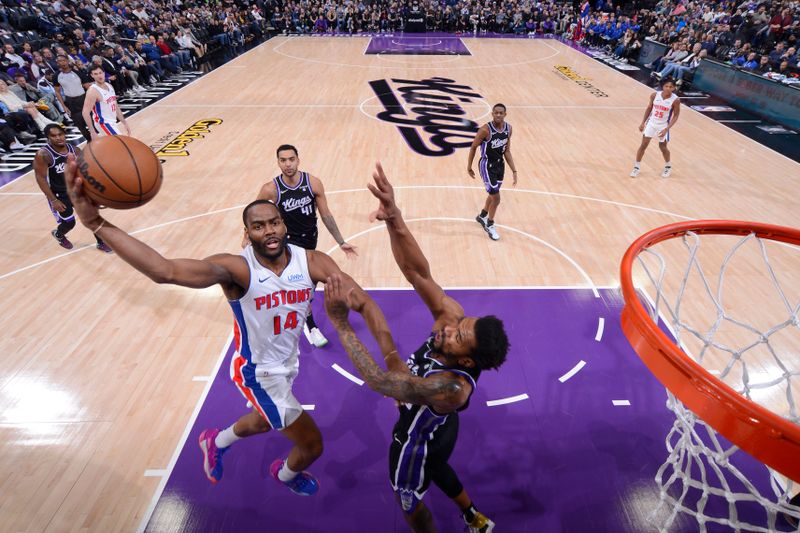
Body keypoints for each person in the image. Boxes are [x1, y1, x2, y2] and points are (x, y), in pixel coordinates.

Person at [62, 157, 395, 496]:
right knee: (312, 446)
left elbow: (365, 303)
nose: (269, 231)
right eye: (259, 226)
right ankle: (284, 475)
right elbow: (164, 271)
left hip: (287, 363)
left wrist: (393, 360)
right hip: (257, 371)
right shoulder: (236, 270)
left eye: (274, 223)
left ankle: (215, 442)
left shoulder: (312, 262)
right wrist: (98, 224)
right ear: (247, 233)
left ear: (284, 225)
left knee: (265, 418)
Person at [324, 162, 509, 533]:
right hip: (443, 426)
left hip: (419, 437)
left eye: (459, 336)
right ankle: (473, 516)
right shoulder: (452, 319)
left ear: (467, 359)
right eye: (460, 324)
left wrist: (342, 324)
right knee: (440, 467)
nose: (450, 328)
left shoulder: (450, 388)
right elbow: (417, 273)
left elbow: (381, 381)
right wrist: (396, 219)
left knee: (410, 504)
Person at [250, 144, 358, 348]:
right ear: (278, 162)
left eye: (291, 159)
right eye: (283, 160)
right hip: (288, 242)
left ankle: (286, 313)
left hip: (310, 240)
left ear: (298, 160)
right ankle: (311, 326)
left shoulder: (313, 183)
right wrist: (248, 235)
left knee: (304, 287)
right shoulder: (271, 188)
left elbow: (326, 214)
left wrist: (341, 241)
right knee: (303, 287)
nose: (288, 164)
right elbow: (254, 212)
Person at [33, 124, 112, 252]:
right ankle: (59, 234)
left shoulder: (75, 150)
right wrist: (53, 200)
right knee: (69, 223)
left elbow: (85, 171)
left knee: (92, 216)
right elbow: (41, 178)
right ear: (48, 138)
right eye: (54, 136)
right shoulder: (43, 155)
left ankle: (101, 242)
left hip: (77, 189)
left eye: (60, 134)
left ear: (65, 134)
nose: (58, 138)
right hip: (59, 194)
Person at [466, 103, 518, 241]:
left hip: (500, 166)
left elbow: (507, 151)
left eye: (501, 113)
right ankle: (490, 224)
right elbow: (473, 147)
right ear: (492, 114)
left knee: (493, 193)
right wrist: (469, 166)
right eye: (496, 113)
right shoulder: (485, 130)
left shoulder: (509, 129)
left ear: (505, 114)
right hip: (486, 166)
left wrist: (514, 170)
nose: (498, 115)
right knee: (496, 198)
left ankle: (482, 215)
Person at [630, 78, 680, 179]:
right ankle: (636, 167)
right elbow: (649, 108)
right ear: (663, 86)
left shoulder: (675, 100)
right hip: (651, 123)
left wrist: (667, 129)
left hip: (663, 125)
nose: (668, 88)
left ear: (674, 88)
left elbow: (676, 115)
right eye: (666, 86)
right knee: (643, 145)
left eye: (671, 87)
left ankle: (668, 166)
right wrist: (643, 123)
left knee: (662, 147)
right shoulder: (654, 95)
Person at [82, 64, 131, 139]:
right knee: (122, 142)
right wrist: (92, 132)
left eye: (100, 73)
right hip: (103, 123)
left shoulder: (109, 86)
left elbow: (116, 107)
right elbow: (85, 112)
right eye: (96, 74)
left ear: (104, 73)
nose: (99, 76)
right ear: (92, 76)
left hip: (112, 122)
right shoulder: (92, 91)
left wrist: (125, 123)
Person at [54, 55, 93, 141]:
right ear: (57, 63)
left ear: (68, 61)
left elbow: (88, 86)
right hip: (70, 101)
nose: (63, 62)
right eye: (60, 61)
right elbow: (57, 91)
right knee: (80, 125)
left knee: (91, 121)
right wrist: (63, 106)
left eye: (64, 60)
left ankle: (96, 138)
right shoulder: (56, 75)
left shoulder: (77, 72)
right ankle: (89, 141)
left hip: (83, 99)